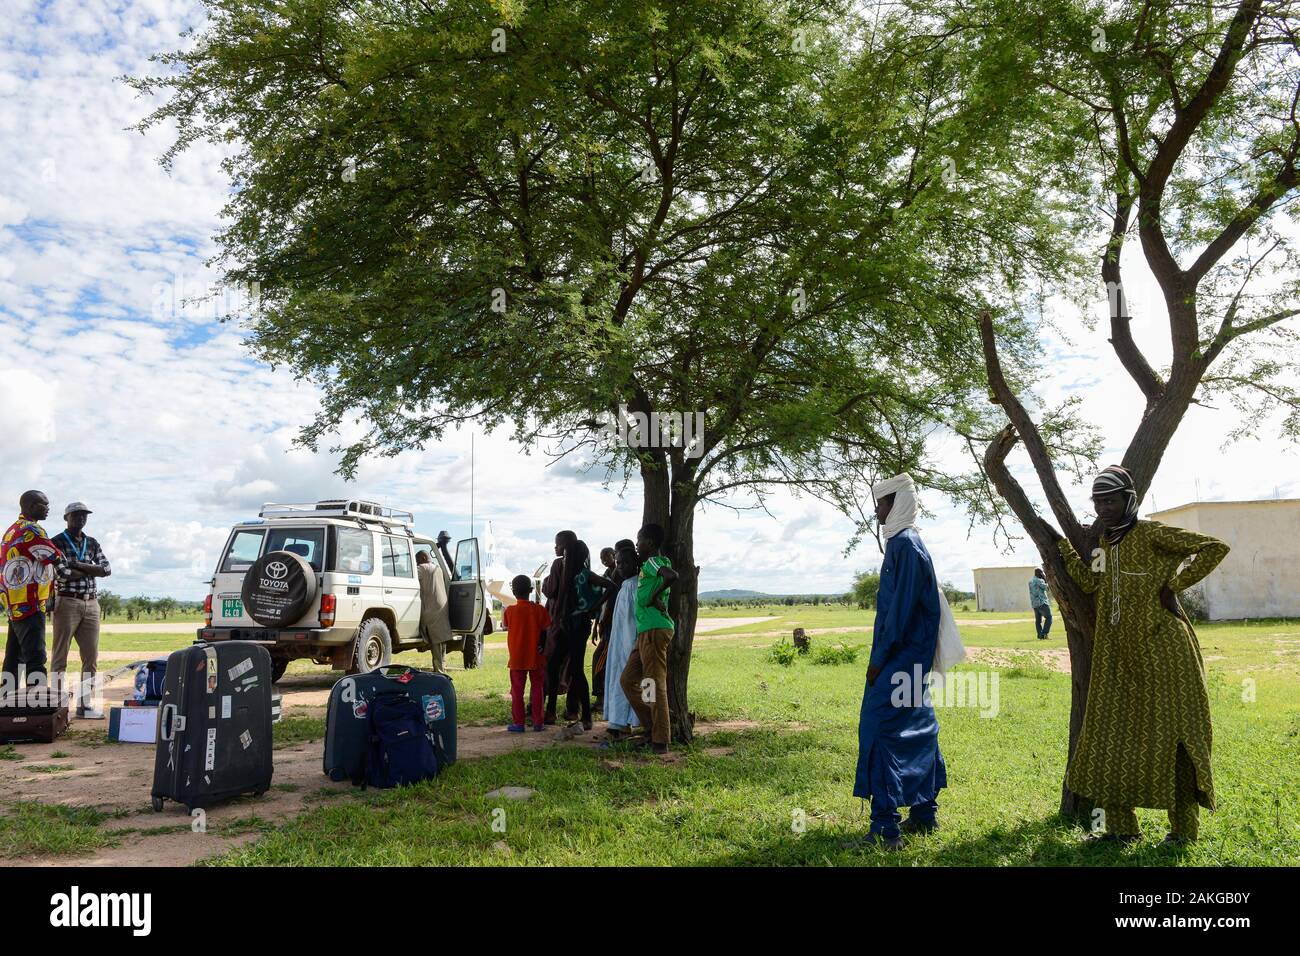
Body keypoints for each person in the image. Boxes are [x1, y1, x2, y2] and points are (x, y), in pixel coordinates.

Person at [1058, 465, 1228, 844]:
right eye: (1098, 501)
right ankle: (1120, 829)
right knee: (1110, 734)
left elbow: (1213, 547)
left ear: (1129, 499)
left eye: (1111, 499)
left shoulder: (1152, 533)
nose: (1104, 506)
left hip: (1163, 651)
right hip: (1117, 656)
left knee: (1174, 736)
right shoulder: (1102, 544)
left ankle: (1184, 831)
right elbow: (1092, 581)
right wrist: (1064, 553)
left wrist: (1174, 586)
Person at [853, 474, 947, 850]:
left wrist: (878, 661)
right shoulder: (907, 542)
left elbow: (900, 613)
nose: (876, 510)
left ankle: (886, 830)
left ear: (898, 503)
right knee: (917, 728)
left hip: (898, 660)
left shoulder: (905, 545)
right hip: (913, 661)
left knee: (879, 731)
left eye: (881, 502)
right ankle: (924, 813)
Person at [620, 523, 677, 754]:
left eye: (639, 540)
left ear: (651, 544)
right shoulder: (648, 565)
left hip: (655, 630)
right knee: (628, 680)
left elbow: (671, 576)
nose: (636, 544)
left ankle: (660, 740)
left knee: (653, 684)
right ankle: (651, 728)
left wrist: (654, 596)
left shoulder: (655, 561)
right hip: (645, 632)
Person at [1, 491, 67, 692]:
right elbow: (55, 557)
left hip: (14, 601)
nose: (48, 508)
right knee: (35, 654)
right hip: (29, 601)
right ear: (30, 506)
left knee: (14, 654)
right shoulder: (32, 530)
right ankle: (36, 699)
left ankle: (6, 698)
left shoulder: (12, 530)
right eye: (43, 504)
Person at [51, 502, 112, 718]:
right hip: (67, 602)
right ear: (66, 517)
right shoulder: (56, 542)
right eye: (76, 515)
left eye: (84, 515)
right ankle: (57, 706)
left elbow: (106, 569)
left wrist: (79, 565)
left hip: (91, 603)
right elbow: (62, 574)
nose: (81, 519)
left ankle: (84, 705)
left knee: (91, 657)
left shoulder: (92, 542)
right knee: (60, 656)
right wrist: (90, 570)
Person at [545, 538, 613, 731]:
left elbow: (610, 586)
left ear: (574, 556)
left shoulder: (584, 574)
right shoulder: (568, 572)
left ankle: (587, 717)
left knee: (576, 669)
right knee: (552, 664)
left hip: (578, 625)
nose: (564, 557)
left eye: (567, 555)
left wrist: (593, 607)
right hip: (566, 625)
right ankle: (551, 710)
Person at [602, 546, 643, 743]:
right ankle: (619, 723)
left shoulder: (635, 586)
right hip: (619, 643)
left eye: (626, 562)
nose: (621, 567)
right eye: (618, 563)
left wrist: (632, 644)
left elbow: (634, 620)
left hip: (631, 643)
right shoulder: (625, 585)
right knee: (618, 677)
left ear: (636, 563)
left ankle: (631, 722)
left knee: (632, 680)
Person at [503, 574, 550, 732]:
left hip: (517, 657)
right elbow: (546, 631)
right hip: (536, 655)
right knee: (538, 688)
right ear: (531, 590)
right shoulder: (539, 610)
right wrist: (542, 646)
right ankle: (538, 723)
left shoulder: (509, 611)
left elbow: (507, 626)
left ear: (513, 591)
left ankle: (519, 723)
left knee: (517, 691)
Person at [541, 530, 577, 721]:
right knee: (574, 668)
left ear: (565, 546)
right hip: (576, 623)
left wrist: (545, 584)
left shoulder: (558, 564)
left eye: (557, 545)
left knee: (552, 666)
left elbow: (551, 589)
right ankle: (573, 710)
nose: (555, 548)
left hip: (558, 621)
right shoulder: (581, 565)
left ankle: (550, 710)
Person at [591, 542, 629, 715]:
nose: (605, 559)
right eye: (602, 557)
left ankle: (600, 698)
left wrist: (604, 619)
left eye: (608, 555)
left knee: (599, 659)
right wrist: (596, 623)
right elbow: (605, 604)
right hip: (606, 623)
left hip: (613, 626)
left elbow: (612, 601)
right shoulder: (608, 575)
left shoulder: (622, 576)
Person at [415, 547, 453, 674]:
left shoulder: (422, 568)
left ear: (424, 558)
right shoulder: (438, 569)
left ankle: (439, 671)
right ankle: (442, 667)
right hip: (442, 608)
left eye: (417, 560)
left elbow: (410, 576)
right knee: (441, 641)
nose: (417, 563)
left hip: (430, 610)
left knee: (435, 642)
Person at [1029, 568, 1052, 640]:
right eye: (1042, 573)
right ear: (1040, 573)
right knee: (1049, 617)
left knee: (1038, 621)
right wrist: (1046, 579)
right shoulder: (1039, 580)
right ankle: (1044, 633)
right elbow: (1046, 588)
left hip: (1034, 604)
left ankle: (1040, 635)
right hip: (1042, 602)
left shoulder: (1030, 581)